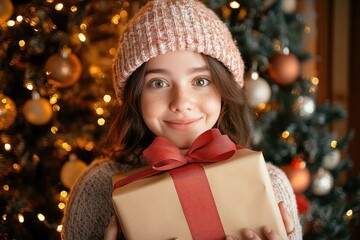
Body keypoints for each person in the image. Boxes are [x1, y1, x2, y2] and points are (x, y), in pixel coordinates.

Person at [61, 0, 302, 239]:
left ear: (224, 88)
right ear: (135, 96)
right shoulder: (97, 189)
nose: (181, 102)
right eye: (158, 83)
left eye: (201, 81)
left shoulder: (272, 185)